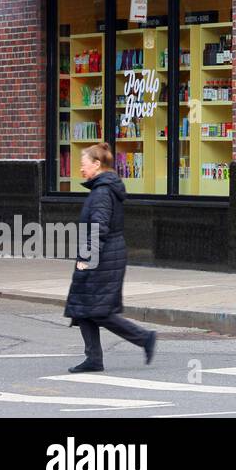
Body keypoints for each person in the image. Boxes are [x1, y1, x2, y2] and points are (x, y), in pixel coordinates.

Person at [63, 143, 157, 373]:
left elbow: (99, 227)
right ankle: (93, 358)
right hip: (105, 253)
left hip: (104, 256)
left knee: (98, 310)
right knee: (82, 307)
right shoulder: (100, 189)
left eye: (83, 164)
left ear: (97, 164)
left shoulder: (103, 192)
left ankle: (144, 338)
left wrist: (87, 257)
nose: (80, 169)